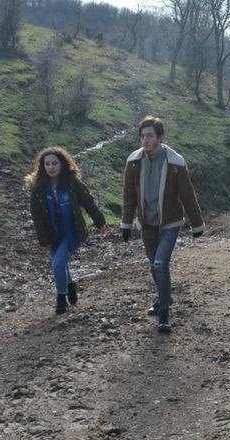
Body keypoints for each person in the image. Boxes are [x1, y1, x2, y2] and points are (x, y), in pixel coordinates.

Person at [121, 116, 204, 333]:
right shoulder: (134, 162)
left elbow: (187, 195)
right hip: (146, 222)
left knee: (160, 264)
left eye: (150, 136)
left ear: (160, 137)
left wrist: (197, 224)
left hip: (170, 222)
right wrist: (126, 223)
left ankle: (164, 313)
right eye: (142, 136)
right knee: (153, 264)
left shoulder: (175, 162)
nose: (145, 140)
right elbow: (129, 195)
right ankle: (164, 297)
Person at [26, 147, 107, 315]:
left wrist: (99, 222)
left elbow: (88, 201)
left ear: (62, 164)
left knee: (57, 264)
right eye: (47, 164)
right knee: (60, 264)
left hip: (72, 231)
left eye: (54, 163)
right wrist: (44, 240)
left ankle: (61, 299)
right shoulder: (38, 188)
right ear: (42, 167)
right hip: (52, 233)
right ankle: (70, 285)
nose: (51, 167)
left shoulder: (71, 182)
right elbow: (37, 217)